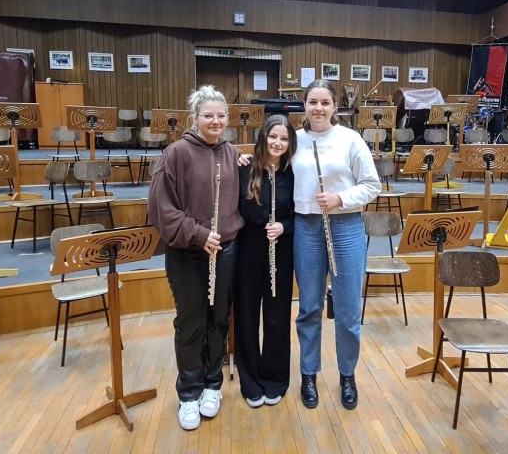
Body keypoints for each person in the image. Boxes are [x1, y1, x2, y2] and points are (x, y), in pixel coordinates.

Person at [147, 85, 243, 431]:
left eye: (221, 115)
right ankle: (189, 393)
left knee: (218, 320)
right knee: (191, 322)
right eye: (208, 115)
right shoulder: (176, 153)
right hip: (188, 253)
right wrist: (199, 235)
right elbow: (161, 209)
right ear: (195, 118)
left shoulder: (232, 154)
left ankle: (212, 385)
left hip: (226, 251)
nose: (215, 121)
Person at [292, 79, 381, 410]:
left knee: (347, 310)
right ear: (305, 105)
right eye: (313, 102)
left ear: (334, 107)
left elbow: (372, 185)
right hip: (306, 227)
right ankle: (309, 374)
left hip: (345, 227)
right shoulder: (294, 140)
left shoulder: (350, 139)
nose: (318, 108)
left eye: (325, 102)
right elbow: (271, 168)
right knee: (309, 308)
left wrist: (339, 198)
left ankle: (347, 375)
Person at [234, 115, 297, 407]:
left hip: (281, 247)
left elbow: (301, 213)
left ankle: (275, 379)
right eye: (273, 137)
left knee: (277, 316)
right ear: (263, 137)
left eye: (284, 139)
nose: (278, 143)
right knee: (246, 315)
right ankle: (250, 381)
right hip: (248, 246)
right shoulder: (245, 168)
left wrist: (284, 226)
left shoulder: (292, 174)